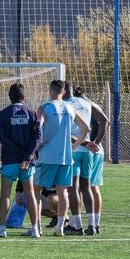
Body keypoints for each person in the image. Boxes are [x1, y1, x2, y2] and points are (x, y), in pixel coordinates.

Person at [35, 79, 93, 236]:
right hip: (66, 157)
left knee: (35, 191)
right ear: (64, 92)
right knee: (63, 192)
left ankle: (36, 227)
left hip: (47, 156)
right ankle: (60, 227)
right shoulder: (70, 107)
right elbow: (86, 129)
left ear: (50, 90)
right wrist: (74, 147)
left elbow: (38, 127)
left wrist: (38, 144)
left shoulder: (45, 107)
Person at [0, 83, 42, 238]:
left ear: (9, 96)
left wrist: (19, 154)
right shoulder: (31, 113)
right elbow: (37, 137)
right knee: (30, 193)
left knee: (5, 193)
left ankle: (1, 229)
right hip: (27, 161)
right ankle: (35, 229)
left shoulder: (3, 114)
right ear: (23, 97)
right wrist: (26, 156)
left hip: (10, 160)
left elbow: (3, 139)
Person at [76, 86, 109, 234]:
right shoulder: (91, 105)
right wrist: (98, 143)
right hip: (94, 149)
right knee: (92, 187)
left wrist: (96, 142)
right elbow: (105, 121)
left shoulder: (85, 105)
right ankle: (95, 223)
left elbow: (105, 121)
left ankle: (80, 222)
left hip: (89, 148)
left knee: (82, 187)